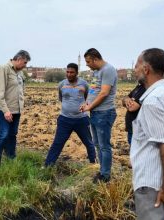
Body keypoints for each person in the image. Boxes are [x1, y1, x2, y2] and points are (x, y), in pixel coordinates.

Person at [130, 48, 164, 219]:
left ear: (146, 69)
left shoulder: (153, 102)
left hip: (152, 186)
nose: (134, 69)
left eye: (137, 65)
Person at [44, 63, 96, 167]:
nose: (69, 74)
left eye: (72, 72)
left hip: (81, 119)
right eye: (67, 72)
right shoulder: (62, 84)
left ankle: (93, 165)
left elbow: (87, 98)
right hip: (65, 119)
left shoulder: (84, 84)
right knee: (57, 143)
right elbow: (61, 98)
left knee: (89, 143)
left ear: (77, 73)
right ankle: (47, 166)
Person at [80, 48, 117, 183]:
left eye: (88, 61)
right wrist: (87, 104)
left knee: (104, 145)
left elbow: (104, 93)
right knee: (97, 144)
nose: (87, 64)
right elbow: (95, 91)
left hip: (104, 112)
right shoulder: (97, 72)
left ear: (95, 59)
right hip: (95, 112)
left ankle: (105, 175)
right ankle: (102, 170)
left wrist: (90, 106)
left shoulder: (108, 70)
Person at [0, 50, 31, 167]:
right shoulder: (3, 69)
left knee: (12, 135)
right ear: (19, 59)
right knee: (3, 135)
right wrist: (6, 111)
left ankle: (11, 157)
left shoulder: (19, 73)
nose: (25, 65)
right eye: (24, 63)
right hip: (6, 111)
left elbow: (20, 90)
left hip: (17, 110)